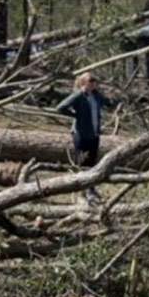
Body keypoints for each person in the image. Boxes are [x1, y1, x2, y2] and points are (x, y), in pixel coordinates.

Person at [56, 72, 118, 204]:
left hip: (94, 134)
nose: (94, 82)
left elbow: (108, 103)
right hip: (81, 134)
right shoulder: (79, 96)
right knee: (83, 162)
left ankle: (91, 190)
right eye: (91, 80)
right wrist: (75, 116)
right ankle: (82, 191)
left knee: (93, 163)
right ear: (84, 82)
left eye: (95, 80)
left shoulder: (96, 96)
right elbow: (60, 107)